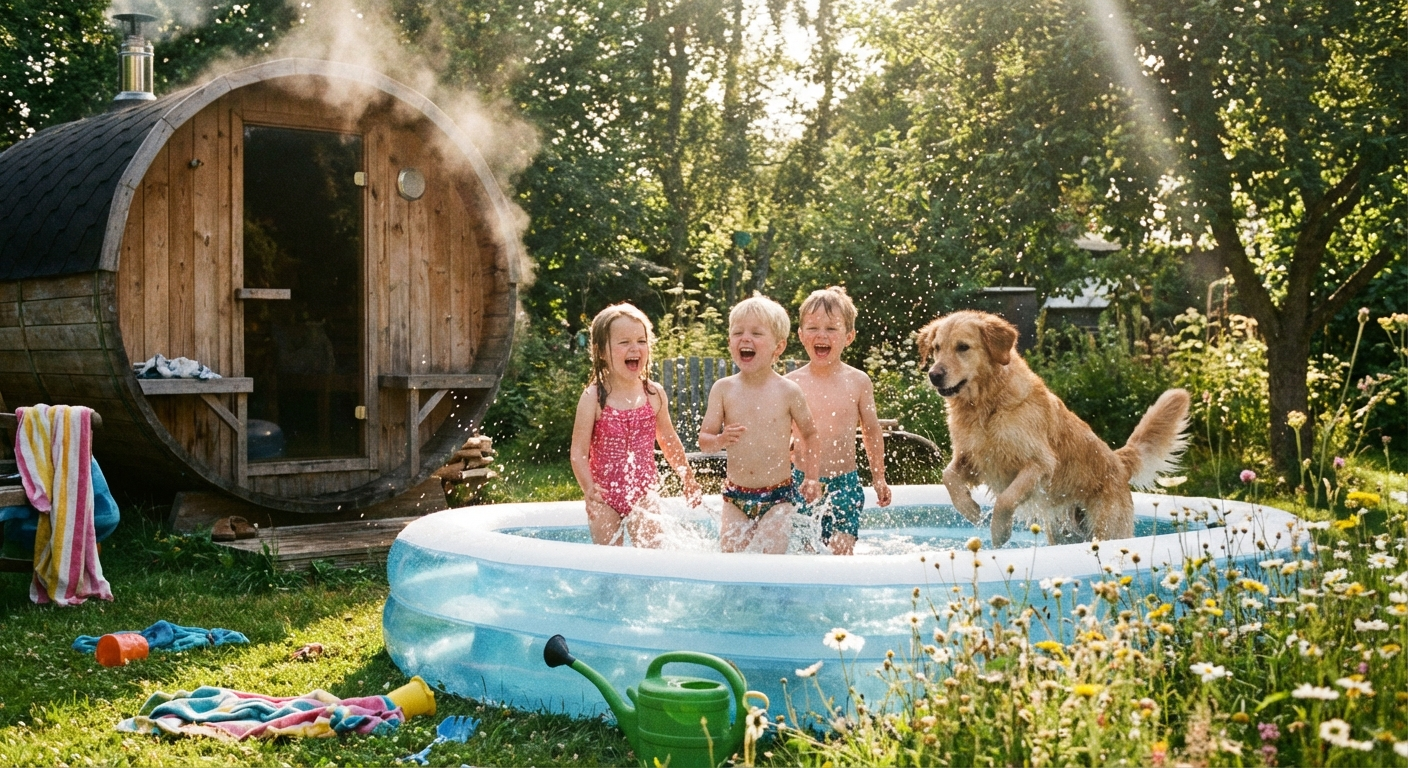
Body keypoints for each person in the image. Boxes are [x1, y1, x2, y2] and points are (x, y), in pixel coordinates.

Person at [570, 303, 701, 547]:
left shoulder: (653, 394)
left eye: (641, 341)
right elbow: (578, 453)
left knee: (652, 557)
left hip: (644, 495)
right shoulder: (594, 397)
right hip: (604, 497)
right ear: (600, 351)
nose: (635, 348)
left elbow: (669, 441)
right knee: (609, 563)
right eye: (624, 342)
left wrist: (687, 477)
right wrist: (589, 489)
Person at [699, 295, 821, 553]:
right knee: (732, 563)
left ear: (778, 347)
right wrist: (720, 440)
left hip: (778, 498)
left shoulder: (788, 391)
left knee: (769, 562)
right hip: (735, 497)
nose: (745, 338)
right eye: (738, 332)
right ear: (730, 341)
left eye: (756, 333)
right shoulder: (723, 390)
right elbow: (705, 441)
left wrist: (811, 477)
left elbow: (810, 434)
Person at [786, 286, 892, 555]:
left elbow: (871, 431)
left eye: (831, 329)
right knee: (805, 555)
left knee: (840, 555)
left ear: (849, 336)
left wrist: (878, 478)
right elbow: (779, 436)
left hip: (845, 483)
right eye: (813, 328)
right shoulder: (791, 384)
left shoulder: (857, 381)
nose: (822, 335)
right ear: (800, 335)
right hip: (800, 482)